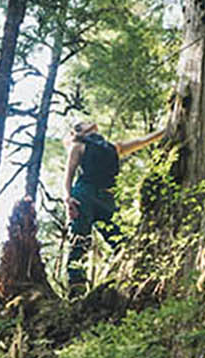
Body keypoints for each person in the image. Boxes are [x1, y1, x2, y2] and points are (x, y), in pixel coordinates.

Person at [63, 119, 163, 293]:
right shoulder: (78, 146)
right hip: (84, 194)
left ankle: (127, 275)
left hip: (106, 197)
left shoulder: (112, 147)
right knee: (80, 237)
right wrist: (68, 198)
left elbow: (142, 141)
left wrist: (166, 130)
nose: (90, 121)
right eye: (85, 122)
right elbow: (69, 173)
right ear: (80, 130)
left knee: (117, 238)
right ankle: (76, 285)